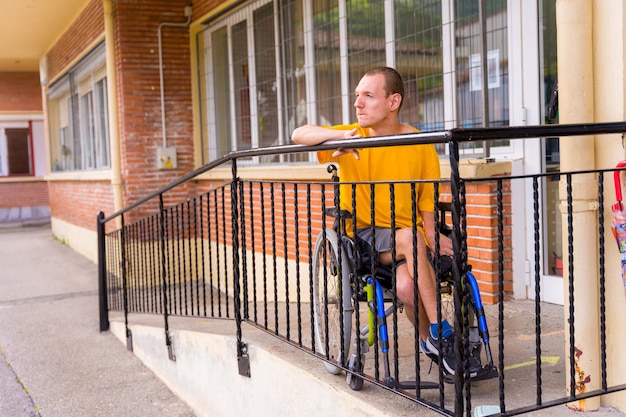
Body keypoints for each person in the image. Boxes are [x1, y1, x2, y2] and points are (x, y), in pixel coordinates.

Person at [292, 66, 474, 376]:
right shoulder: (354, 135)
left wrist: (434, 236)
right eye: (357, 96)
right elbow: (299, 134)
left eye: (368, 96)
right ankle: (443, 334)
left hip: (406, 239)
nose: (358, 104)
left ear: (393, 101)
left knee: (406, 288)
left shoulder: (418, 141)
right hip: (363, 238)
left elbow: (426, 199)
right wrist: (341, 137)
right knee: (410, 238)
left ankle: (429, 341)